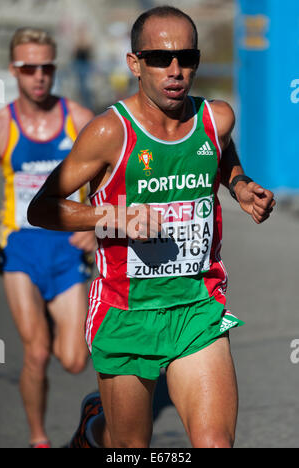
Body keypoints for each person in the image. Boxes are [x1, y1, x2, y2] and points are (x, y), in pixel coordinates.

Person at [28, 6, 275, 448]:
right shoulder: (109, 133)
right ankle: (93, 428)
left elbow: (222, 152)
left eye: (187, 57)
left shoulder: (216, 119)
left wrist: (237, 183)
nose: (176, 70)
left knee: (216, 444)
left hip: (197, 305)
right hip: (126, 311)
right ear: (135, 63)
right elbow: (42, 208)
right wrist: (113, 216)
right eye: (160, 59)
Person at [0, 27, 96, 448]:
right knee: (35, 352)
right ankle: (38, 438)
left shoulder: (78, 118)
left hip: (66, 246)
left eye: (46, 67)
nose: (38, 76)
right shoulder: (4, 124)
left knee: (74, 361)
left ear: (55, 68)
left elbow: (112, 181)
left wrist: (96, 227)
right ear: (13, 70)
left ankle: (91, 410)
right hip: (19, 247)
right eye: (28, 68)